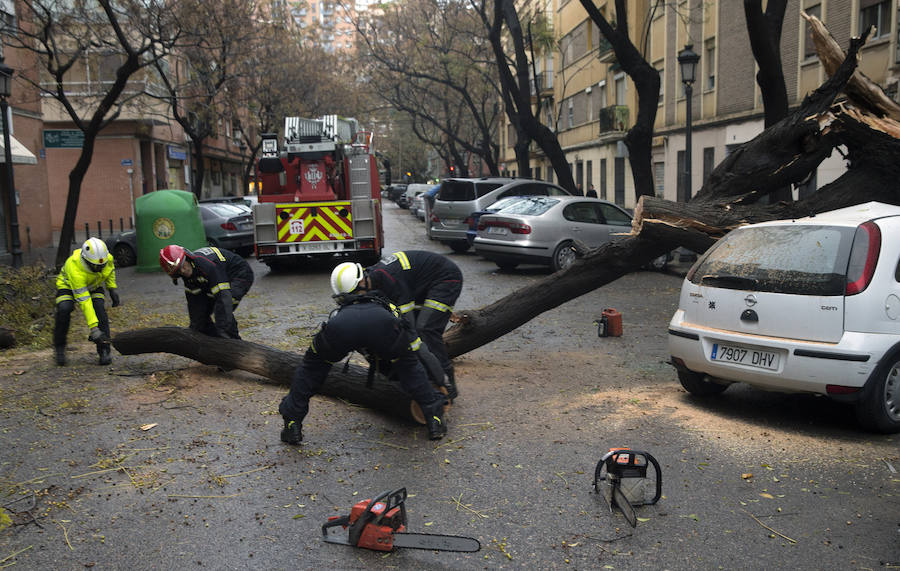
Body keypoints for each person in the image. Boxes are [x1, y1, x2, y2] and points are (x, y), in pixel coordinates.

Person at [278, 289, 449, 443]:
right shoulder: (385, 302)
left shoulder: (339, 313)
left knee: (311, 369)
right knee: (409, 367)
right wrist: (439, 377)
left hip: (341, 327)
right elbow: (411, 345)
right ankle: (435, 421)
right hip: (383, 325)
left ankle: (293, 424)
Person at [331, 251, 462, 400]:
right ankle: (425, 379)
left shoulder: (390, 280)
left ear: (361, 283)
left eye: (355, 295)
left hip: (445, 278)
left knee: (425, 330)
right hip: (420, 284)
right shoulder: (372, 282)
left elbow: (407, 327)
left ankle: (447, 383)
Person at [159, 245, 254, 339]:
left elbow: (223, 297)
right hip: (217, 278)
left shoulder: (207, 265)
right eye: (178, 271)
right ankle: (214, 342)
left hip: (239, 275)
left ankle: (233, 343)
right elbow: (194, 304)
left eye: (183, 266)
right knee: (200, 321)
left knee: (223, 309)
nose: (183, 271)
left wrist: (223, 331)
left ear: (187, 258)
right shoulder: (189, 276)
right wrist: (195, 328)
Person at [54, 237, 120, 366]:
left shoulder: (107, 258)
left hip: (94, 285)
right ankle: (59, 349)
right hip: (68, 286)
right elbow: (85, 301)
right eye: (97, 266)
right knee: (64, 309)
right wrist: (94, 329)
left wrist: (112, 288)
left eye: (102, 265)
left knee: (100, 311)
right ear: (87, 260)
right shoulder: (75, 268)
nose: (100, 268)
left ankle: (104, 351)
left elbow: (110, 270)